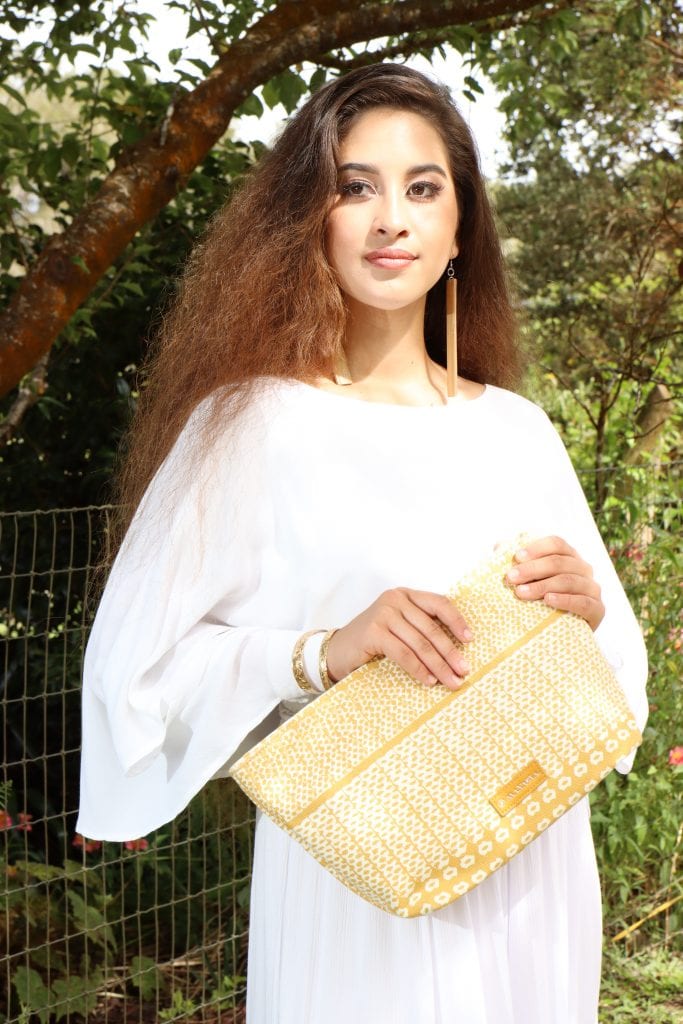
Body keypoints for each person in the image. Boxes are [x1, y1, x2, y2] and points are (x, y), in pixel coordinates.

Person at [77, 63, 648, 1023]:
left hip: (535, 868)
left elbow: (617, 678)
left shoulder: (518, 429)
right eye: (356, 186)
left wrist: (582, 612)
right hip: (360, 884)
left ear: (460, 225)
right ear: (312, 215)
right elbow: (131, 671)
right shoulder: (253, 424)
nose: (392, 218)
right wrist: (319, 653)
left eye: (423, 188)